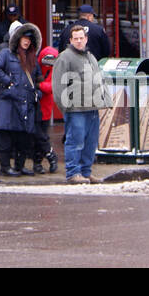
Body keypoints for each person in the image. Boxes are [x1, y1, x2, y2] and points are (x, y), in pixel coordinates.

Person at [52, 23, 109, 183]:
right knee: (75, 141)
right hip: (75, 108)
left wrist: (104, 100)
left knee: (90, 143)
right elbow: (58, 84)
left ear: (86, 39)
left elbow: (98, 79)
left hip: (92, 107)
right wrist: (64, 106)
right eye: (75, 38)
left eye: (81, 38)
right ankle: (73, 173)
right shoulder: (65, 57)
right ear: (70, 40)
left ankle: (85, 172)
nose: (78, 41)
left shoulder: (90, 56)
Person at [0, 22, 42, 176]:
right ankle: (5, 167)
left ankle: (20, 166)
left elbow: (38, 79)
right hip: (9, 101)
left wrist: (37, 93)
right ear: (18, 39)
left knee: (24, 138)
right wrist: (8, 82)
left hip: (26, 102)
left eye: (29, 39)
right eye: (24, 38)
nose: (27, 41)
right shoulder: (6, 54)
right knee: (6, 138)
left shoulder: (32, 58)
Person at [36, 45, 59, 173]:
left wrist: (38, 85)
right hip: (36, 104)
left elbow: (52, 87)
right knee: (37, 134)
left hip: (45, 106)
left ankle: (38, 162)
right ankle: (49, 156)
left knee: (42, 134)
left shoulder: (54, 70)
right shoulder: (37, 67)